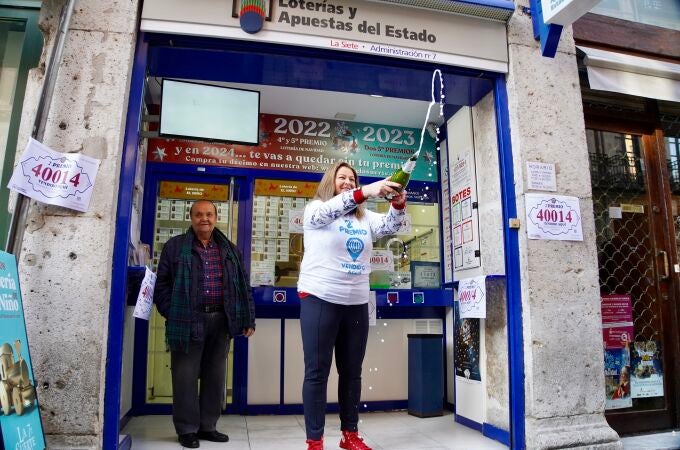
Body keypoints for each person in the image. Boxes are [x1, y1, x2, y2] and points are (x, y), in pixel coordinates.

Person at [298, 161, 407, 450]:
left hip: (356, 301)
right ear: (330, 182)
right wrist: (366, 190)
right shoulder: (316, 210)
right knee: (317, 372)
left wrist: (397, 206)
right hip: (319, 297)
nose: (347, 181)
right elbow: (336, 207)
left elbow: (388, 227)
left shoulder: (364, 218)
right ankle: (315, 440)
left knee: (351, 372)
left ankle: (350, 435)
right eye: (342, 178)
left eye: (352, 178)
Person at [154, 199, 256, 448]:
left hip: (221, 321)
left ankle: (208, 426)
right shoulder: (175, 247)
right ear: (191, 218)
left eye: (209, 214)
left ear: (216, 217)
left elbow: (243, 286)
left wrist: (247, 318)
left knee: (215, 376)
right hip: (187, 321)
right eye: (199, 214)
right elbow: (162, 286)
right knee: (185, 376)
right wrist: (172, 312)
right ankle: (187, 429)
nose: (205, 219)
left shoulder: (229, 249)